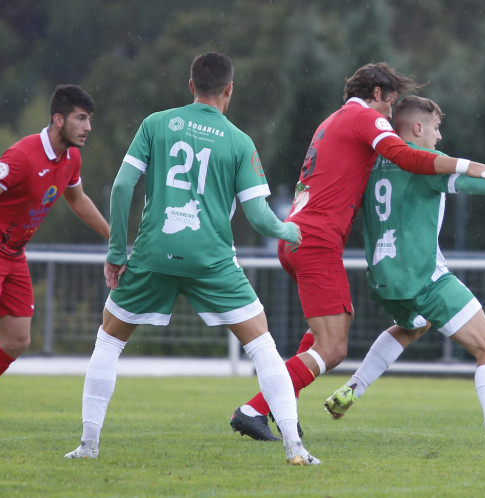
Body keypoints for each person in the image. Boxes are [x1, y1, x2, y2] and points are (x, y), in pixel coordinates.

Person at [63, 53, 318, 465]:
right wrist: (291, 230)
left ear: (190, 85)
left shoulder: (157, 123)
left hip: (154, 253)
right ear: (229, 89)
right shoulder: (239, 141)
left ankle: (88, 445)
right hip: (211, 260)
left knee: (109, 341)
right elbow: (259, 217)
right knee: (263, 346)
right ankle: (295, 448)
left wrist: (116, 252)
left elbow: (123, 185)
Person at [228, 62, 485, 441]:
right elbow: (406, 156)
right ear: (377, 95)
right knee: (333, 347)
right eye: (390, 105)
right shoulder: (364, 117)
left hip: (295, 235)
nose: (391, 116)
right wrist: (469, 166)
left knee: (327, 328)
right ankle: (255, 409)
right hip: (316, 241)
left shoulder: (331, 120)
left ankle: (274, 403)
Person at [319, 95, 485, 445]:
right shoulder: (422, 162)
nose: (439, 137)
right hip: (424, 278)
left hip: (383, 279)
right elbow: (469, 182)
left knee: (414, 326)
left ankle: (353, 388)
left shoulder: (371, 161)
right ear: (417, 128)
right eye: (437, 128)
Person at [0, 85, 110, 425]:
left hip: (15, 254)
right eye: (81, 118)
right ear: (58, 119)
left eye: (89, 119)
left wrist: (115, 238)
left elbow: (77, 199)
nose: (87, 127)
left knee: (17, 340)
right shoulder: (22, 156)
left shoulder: (71, 158)